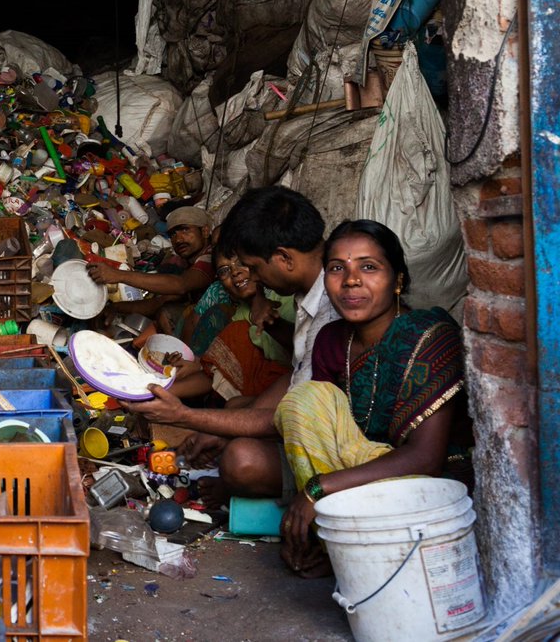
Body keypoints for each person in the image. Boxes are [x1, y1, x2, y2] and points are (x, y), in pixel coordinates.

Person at [275, 220, 470, 576]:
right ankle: (334, 541)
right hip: (354, 480)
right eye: (337, 268)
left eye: (368, 267)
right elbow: (326, 436)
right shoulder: (331, 339)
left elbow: (426, 458)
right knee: (304, 400)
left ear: (397, 280)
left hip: (422, 486)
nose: (351, 280)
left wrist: (319, 489)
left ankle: (344, 545)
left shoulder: (429, 335)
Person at [121, 186, 339, 501]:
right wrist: (217, 429)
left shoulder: (333, 310)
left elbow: (288, 415)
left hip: (338, 450)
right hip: (308, 418)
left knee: (240, 458)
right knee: (235, 418)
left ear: (283, 258)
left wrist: (186, 417)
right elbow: (296, 378)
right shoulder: (308, 294)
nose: (253, 278)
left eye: (255, 268)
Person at [165, 243, 295, 405]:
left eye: (241, 263)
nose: (234, 272)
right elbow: (220, 369)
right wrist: (158, 390)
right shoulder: (240, 314)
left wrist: (270, 322)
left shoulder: (285, 297)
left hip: (294, 383)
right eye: (224, 270)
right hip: (263, 384)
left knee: (233, 404)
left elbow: (305, 351)